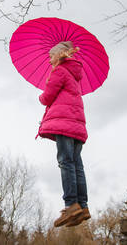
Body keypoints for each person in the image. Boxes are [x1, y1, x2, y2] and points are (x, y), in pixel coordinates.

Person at [37, 41, 91, 227]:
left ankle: (70, 205)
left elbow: (47, 98)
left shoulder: (59, 71)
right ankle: (82, 206)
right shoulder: (75, 74)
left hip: (64, 124)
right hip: (77, 125)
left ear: (60, 54)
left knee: (65, 162)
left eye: (51, 56)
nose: (50, 60)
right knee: (77, 164)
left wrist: (41, 95)